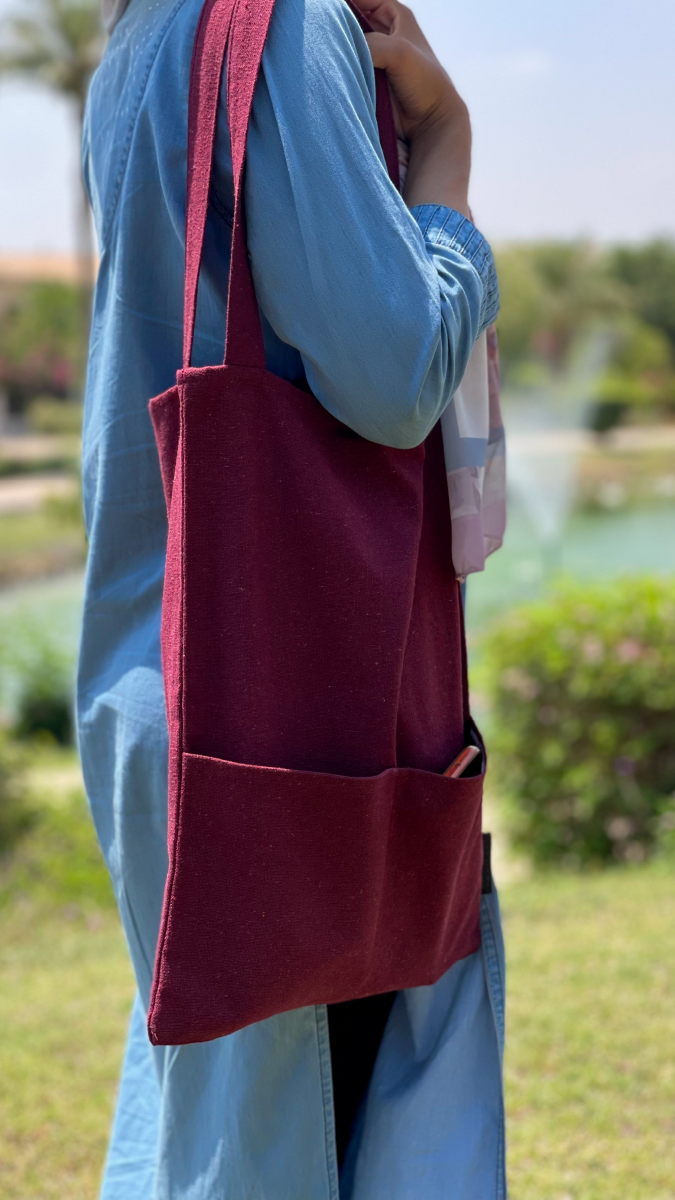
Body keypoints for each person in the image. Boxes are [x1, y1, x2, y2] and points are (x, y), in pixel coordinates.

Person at [80, 0, 506, 1195]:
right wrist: (451, 155)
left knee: (211, 1138)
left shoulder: (141, 33)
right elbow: (394, 373)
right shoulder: (287, 18)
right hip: (298, 735)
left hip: (167, 694)